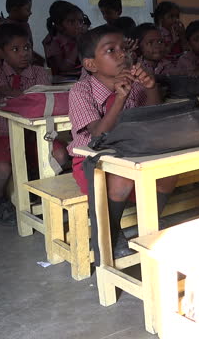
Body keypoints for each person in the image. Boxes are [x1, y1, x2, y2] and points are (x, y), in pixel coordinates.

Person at [67, 25, 178, 258]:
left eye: (124, 49)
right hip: (91, 161)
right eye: (111, 50)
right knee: (122, 177)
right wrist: (120, 98)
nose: (122, 55)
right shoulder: (81, 90)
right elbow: (97, 136)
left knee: (167, 173)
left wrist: (151, 88)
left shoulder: (136, 82)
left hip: (131, 152)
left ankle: (147, 222)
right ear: (91, 64)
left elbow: (153, 115)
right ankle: (111, 230)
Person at [0, 23, 68, 225]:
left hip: (35, 134)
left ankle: (42, 189)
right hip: (2, 135)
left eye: (27, 48)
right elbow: (5, 92)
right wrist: (29, 97)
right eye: (15, 49)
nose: (23, 54)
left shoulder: (40, 72)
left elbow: (43, 96)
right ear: (1, 52)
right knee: (3, 169)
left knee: (61, 155)